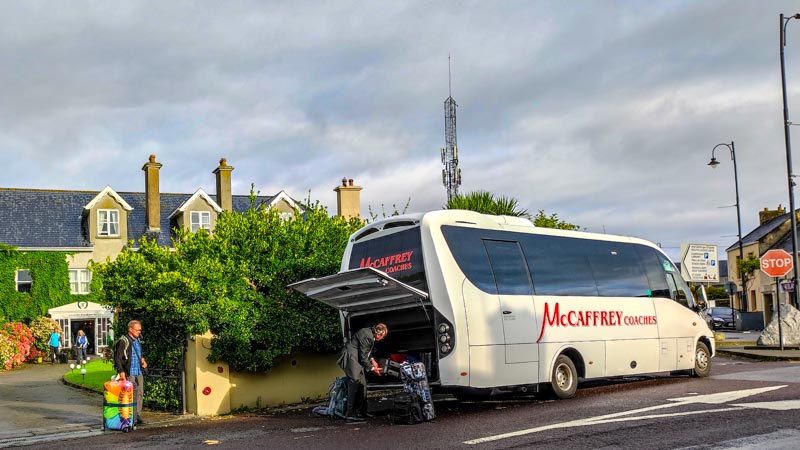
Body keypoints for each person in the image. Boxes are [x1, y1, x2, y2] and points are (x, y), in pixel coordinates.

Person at [338, 323, 388, 423]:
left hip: (356, 360)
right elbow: (363, 357)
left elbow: (365, 351)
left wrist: (372, 359)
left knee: (363, 384)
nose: (382, 338)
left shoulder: (369, 332)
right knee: (354, 385)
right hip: (352, 360)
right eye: (383, 336)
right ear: (378, 334)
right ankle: (350, 415)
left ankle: (361, 412)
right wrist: (373, 368)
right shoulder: (368, 337)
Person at [113, 320, 148, 426]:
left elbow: (138, 353)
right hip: (129, 372)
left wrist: (142, 360)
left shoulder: (137, 340)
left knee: (140, 393)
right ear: (130, 329)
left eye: (140, 330)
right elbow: (118, 358)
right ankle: (130, 417)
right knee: (131, 395)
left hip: (138, 370)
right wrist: (121, 371)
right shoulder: (124, 341)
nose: (139, 332)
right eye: (137, 330)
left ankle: (137, 415)